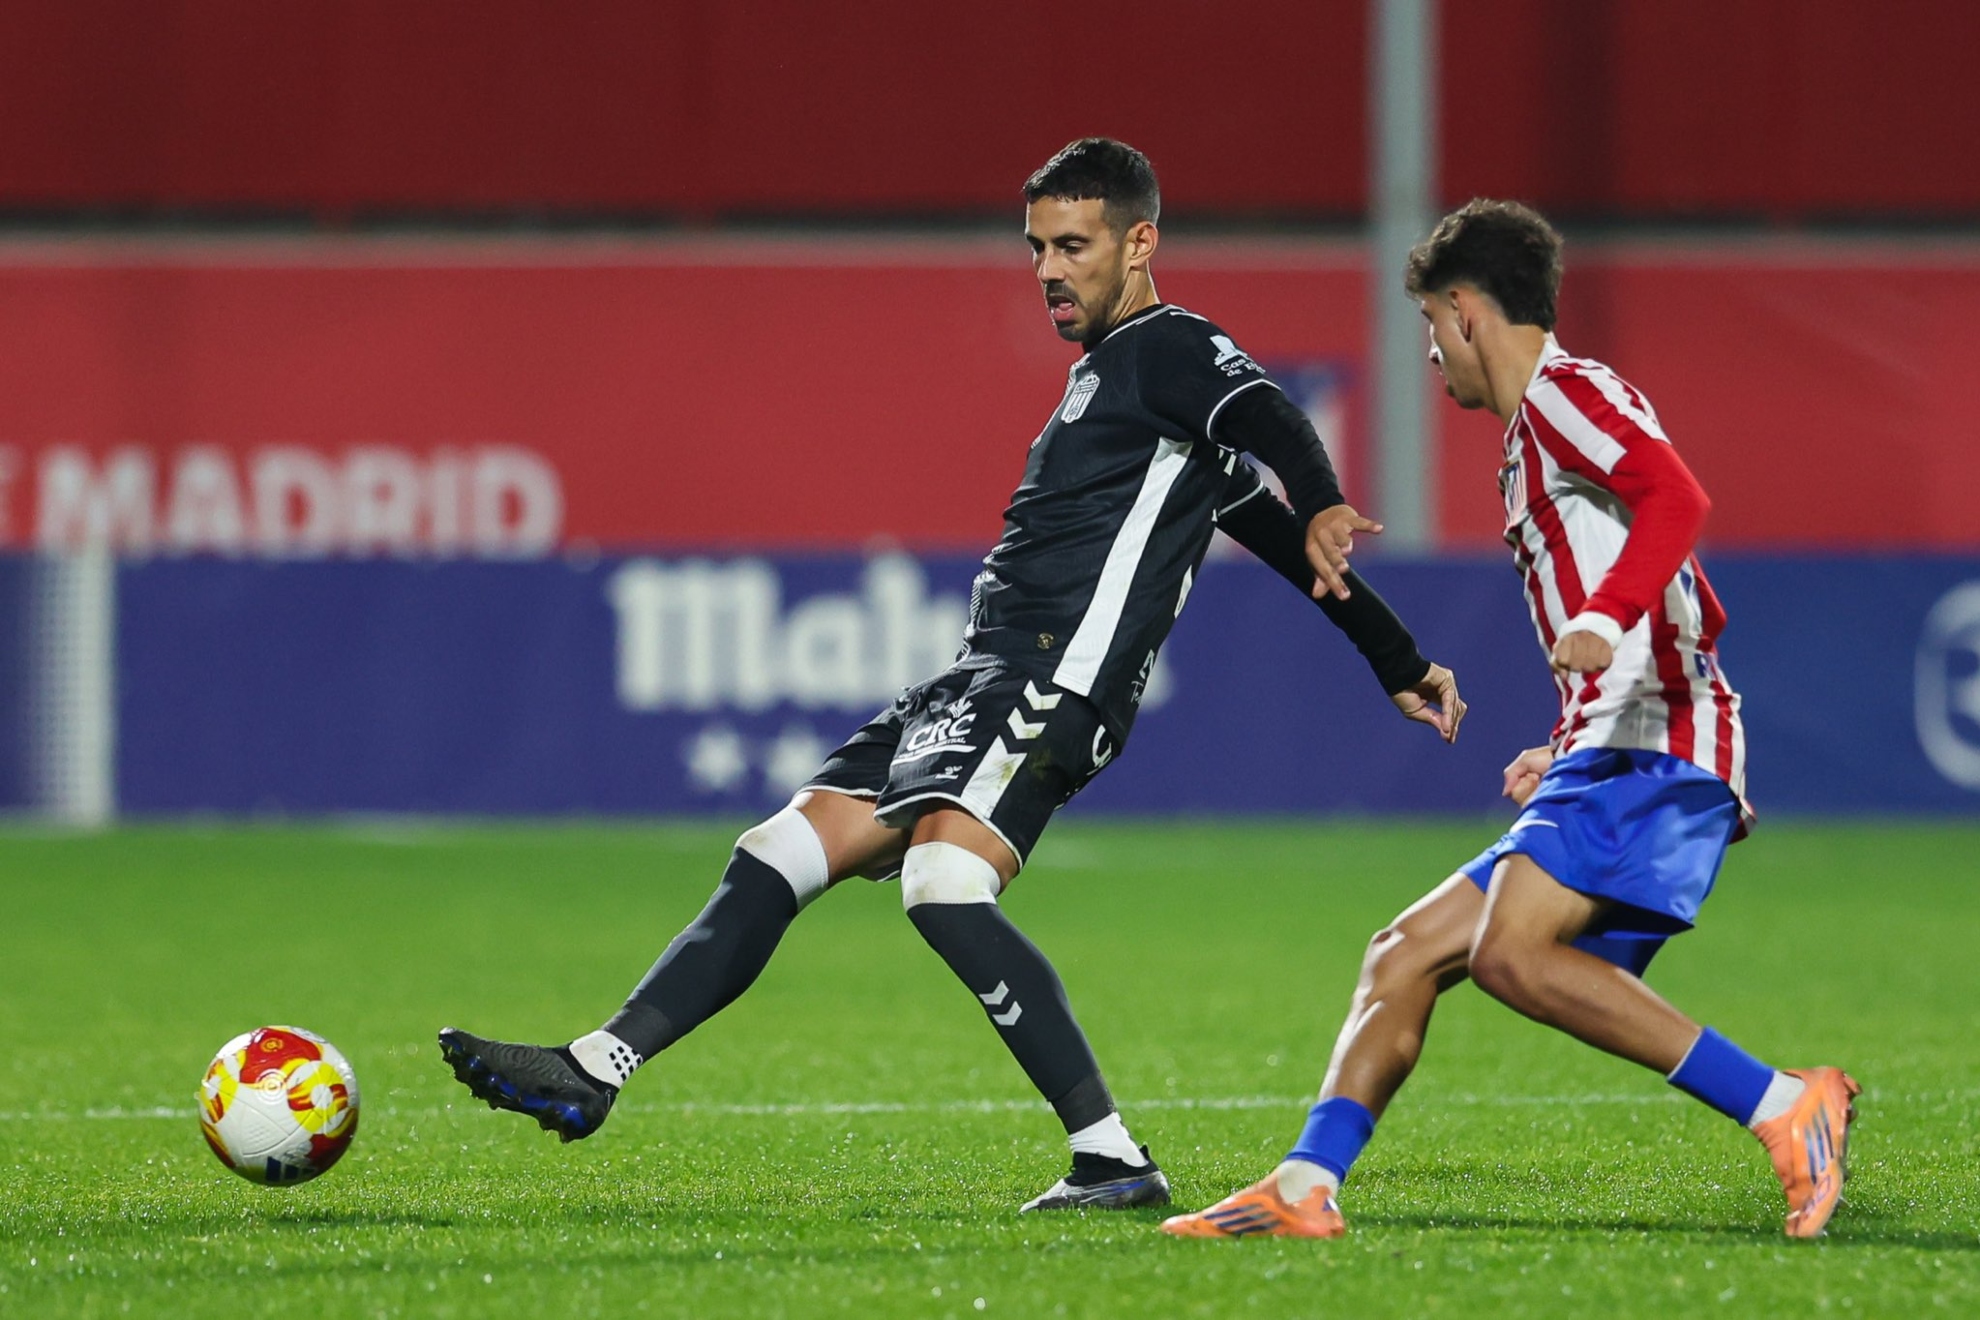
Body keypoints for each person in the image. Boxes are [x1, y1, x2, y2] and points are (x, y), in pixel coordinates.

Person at [438, 138, 1464, 1214]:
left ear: (1140, 242)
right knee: (779, 850)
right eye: (1036, 248)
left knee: (943, 885)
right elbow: (1289, 548)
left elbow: (1264, 415)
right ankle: (597, 1066)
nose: (1049, 270)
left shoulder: (1172, 348)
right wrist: (1402, 661)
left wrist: (1325, 493)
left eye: (1074, 245)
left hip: (1049, 684)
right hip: (973, 679)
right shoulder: (1120, 391)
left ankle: (1112, 1157)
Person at [1163, 198, 1859, 1242]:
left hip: (1649, 744)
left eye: (1432, 329)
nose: (1433, 355)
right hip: (1617, 739)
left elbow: (1679, 500)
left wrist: (1603, 624)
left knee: (1510, 956)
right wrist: (1573, 725)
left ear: (1464, 311)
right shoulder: (1554, 422)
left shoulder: (1562, 398)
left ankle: (1784, 1105)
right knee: (1402, 952)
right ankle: (1305, 1187)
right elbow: (1698, 598)